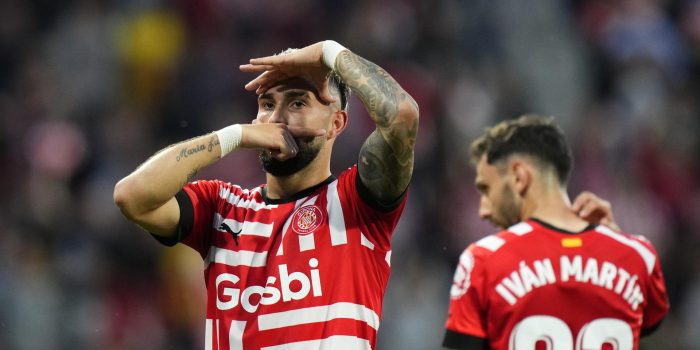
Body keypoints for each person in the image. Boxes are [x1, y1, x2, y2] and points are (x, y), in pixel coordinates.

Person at [113, 40, 419, 349]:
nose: (276, 118)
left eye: (298, 103)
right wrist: (235, 135)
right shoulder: (222, 208)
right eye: (268, 104)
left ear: (335, 124)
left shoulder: (355, 204)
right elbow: (131, 196)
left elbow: (402, 115)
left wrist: (329, 51)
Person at [442, 115, 669, 350]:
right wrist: (617, 244)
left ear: (520, 177)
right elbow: (654, 331)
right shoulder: (639, 256)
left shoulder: (482, 261)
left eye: (486, 189)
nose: (483, 209)